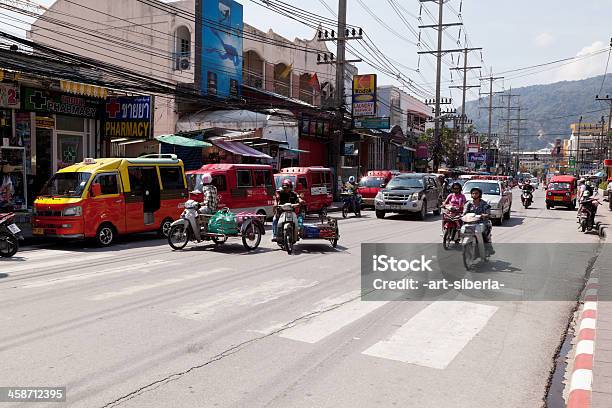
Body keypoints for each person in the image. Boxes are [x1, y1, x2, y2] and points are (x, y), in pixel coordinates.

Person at [463, 187, 495, 255]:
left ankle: (488, 248)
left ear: (479, 194)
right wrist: (462, 215)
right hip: (470, 222)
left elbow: (488, 213)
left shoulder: (484, 204)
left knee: (484, 235)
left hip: (482, 223)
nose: (474, 195)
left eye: (476, 193)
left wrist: (485, 215)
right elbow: (465, 212)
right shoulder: (469, 203)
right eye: (473, 193)